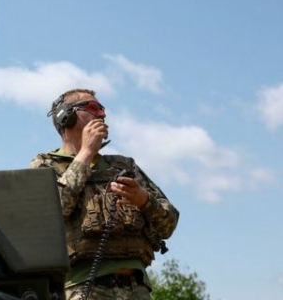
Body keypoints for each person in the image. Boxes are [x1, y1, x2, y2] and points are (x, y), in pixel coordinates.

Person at [30, 88, 179, 300]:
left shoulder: (124, 165)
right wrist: (86, 153)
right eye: (93, 108)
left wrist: (144, 200)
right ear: (67, 116)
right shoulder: (46, 164)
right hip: (83, 288)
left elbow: (169, 223)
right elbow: (52, 212)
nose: (102, 114)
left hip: (137, 290)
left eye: (102, 109)